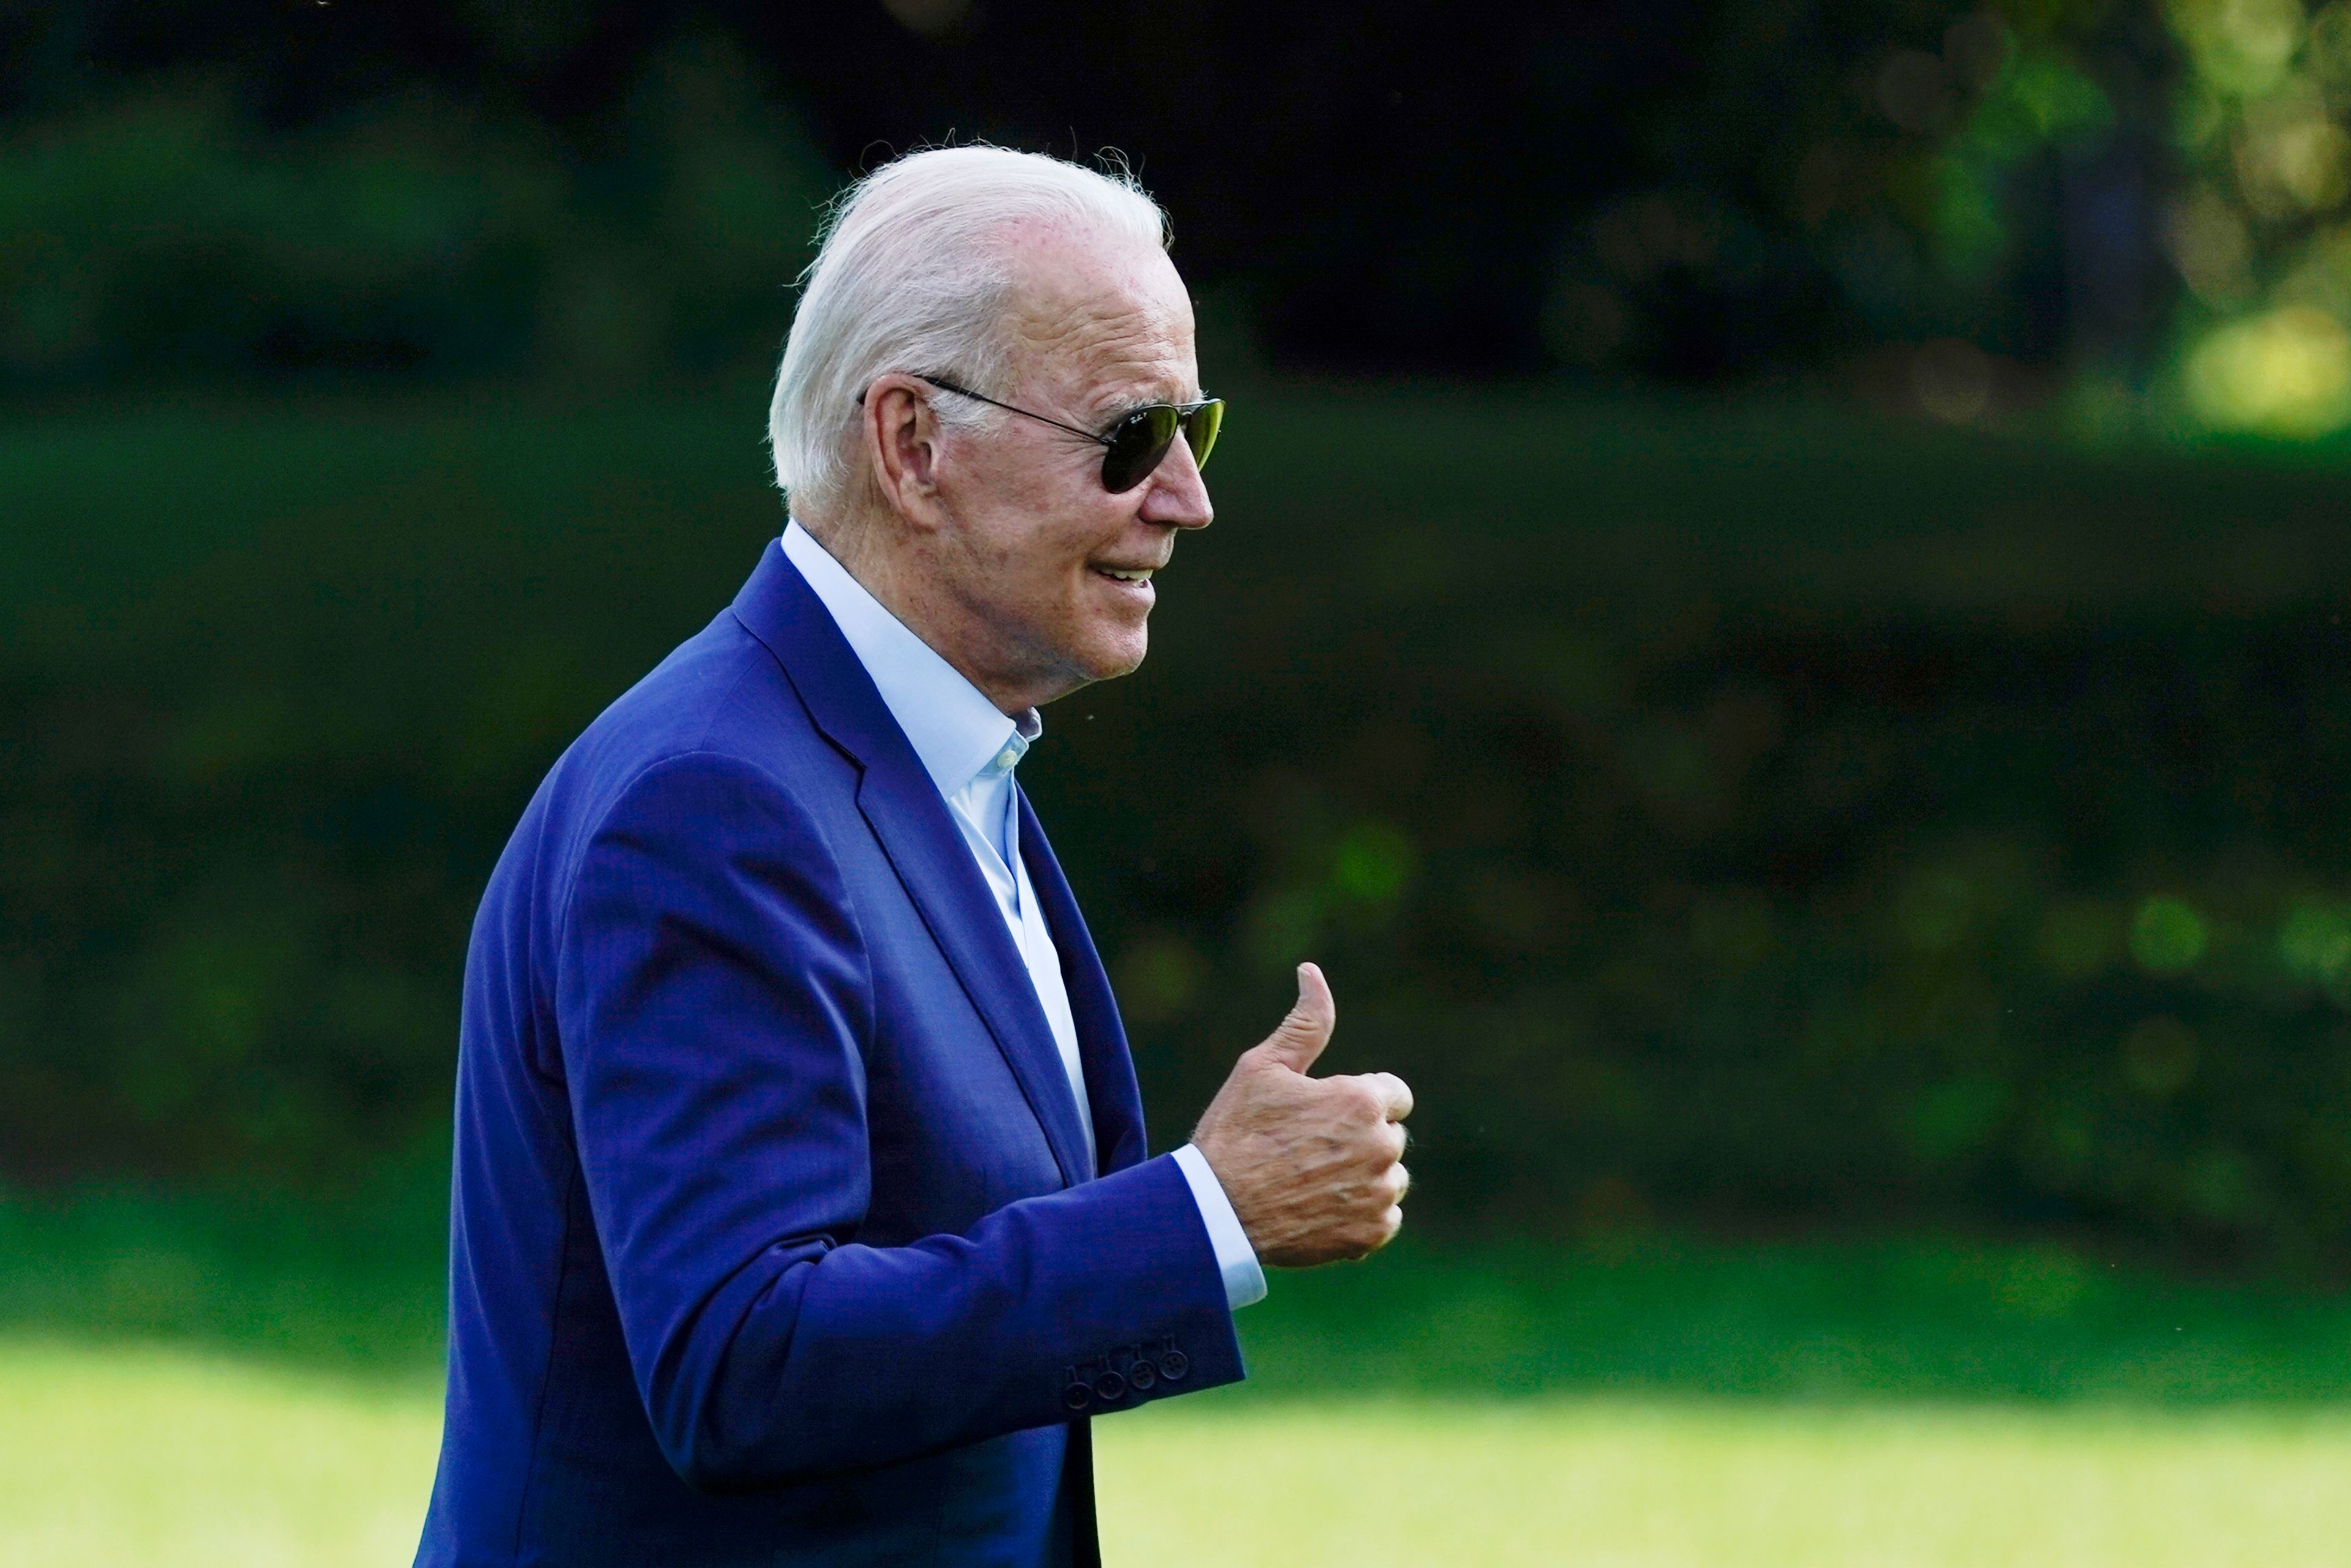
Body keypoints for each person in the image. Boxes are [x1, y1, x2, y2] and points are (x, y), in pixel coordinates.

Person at [414, 145, 1414, 1568]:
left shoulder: (932, 750)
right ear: (912, 446)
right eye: (1131, 436)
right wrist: (1208, 1218)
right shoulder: (713, 802)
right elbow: (741, 1367)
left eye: (1199, 429)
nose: (1186, 498)